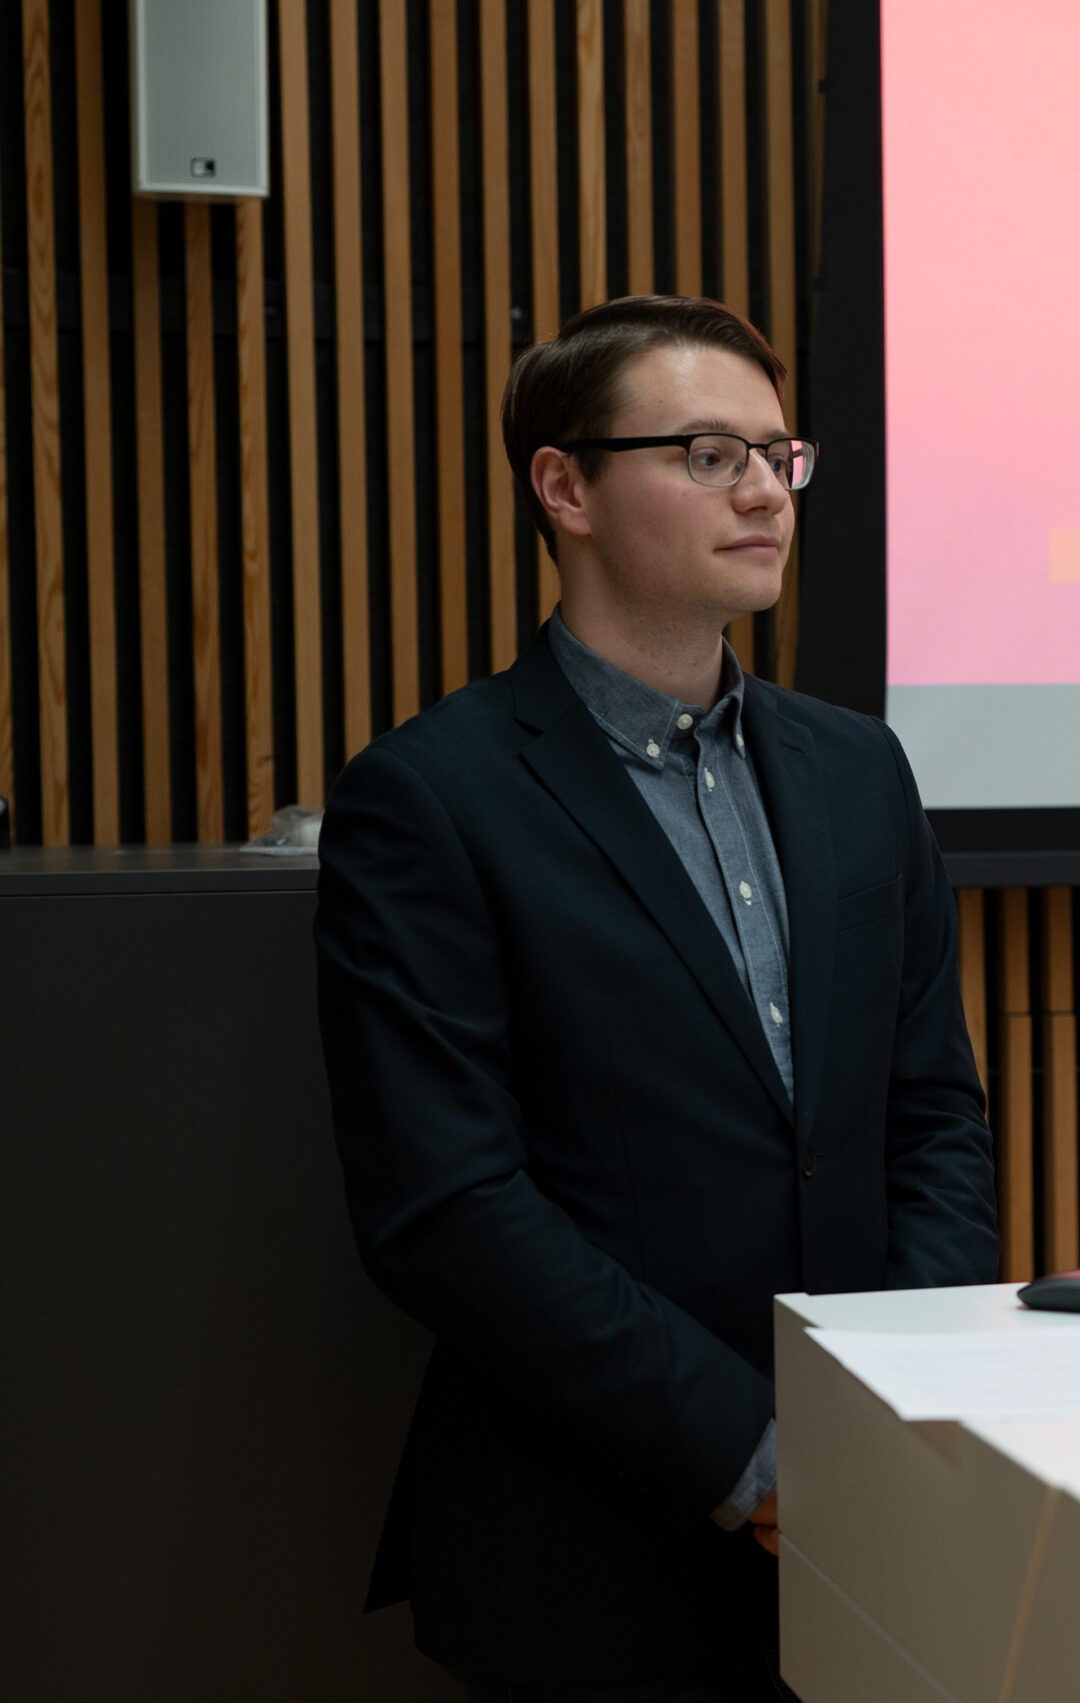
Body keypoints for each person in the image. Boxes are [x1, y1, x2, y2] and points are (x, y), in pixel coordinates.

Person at [314, 295, 998, 1701]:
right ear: (562, 485)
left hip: (871, 1520)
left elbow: (931, 1115)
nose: (761, 488)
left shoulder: (857, 769)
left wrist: (891, 1402)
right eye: (704, 453)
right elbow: (448, 1206)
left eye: (774, 453)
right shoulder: (431, 798)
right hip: (590, 1543)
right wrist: (751, 1451)